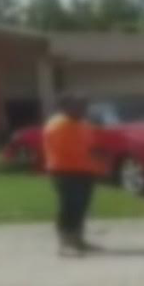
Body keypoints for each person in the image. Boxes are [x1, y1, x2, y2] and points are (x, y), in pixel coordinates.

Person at [43, 93, 105, 256]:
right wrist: (91, 154)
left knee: (82, 206)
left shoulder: (82, 124)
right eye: (79, 106)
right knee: (69, 206)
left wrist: (97, 159)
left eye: (84, 106)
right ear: (65, 107)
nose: (83, 109)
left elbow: (90, 145)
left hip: (85, 170)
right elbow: (69, 149)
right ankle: (65, 243)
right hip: (65, 171)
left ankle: (77, 239)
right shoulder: (58, 125)